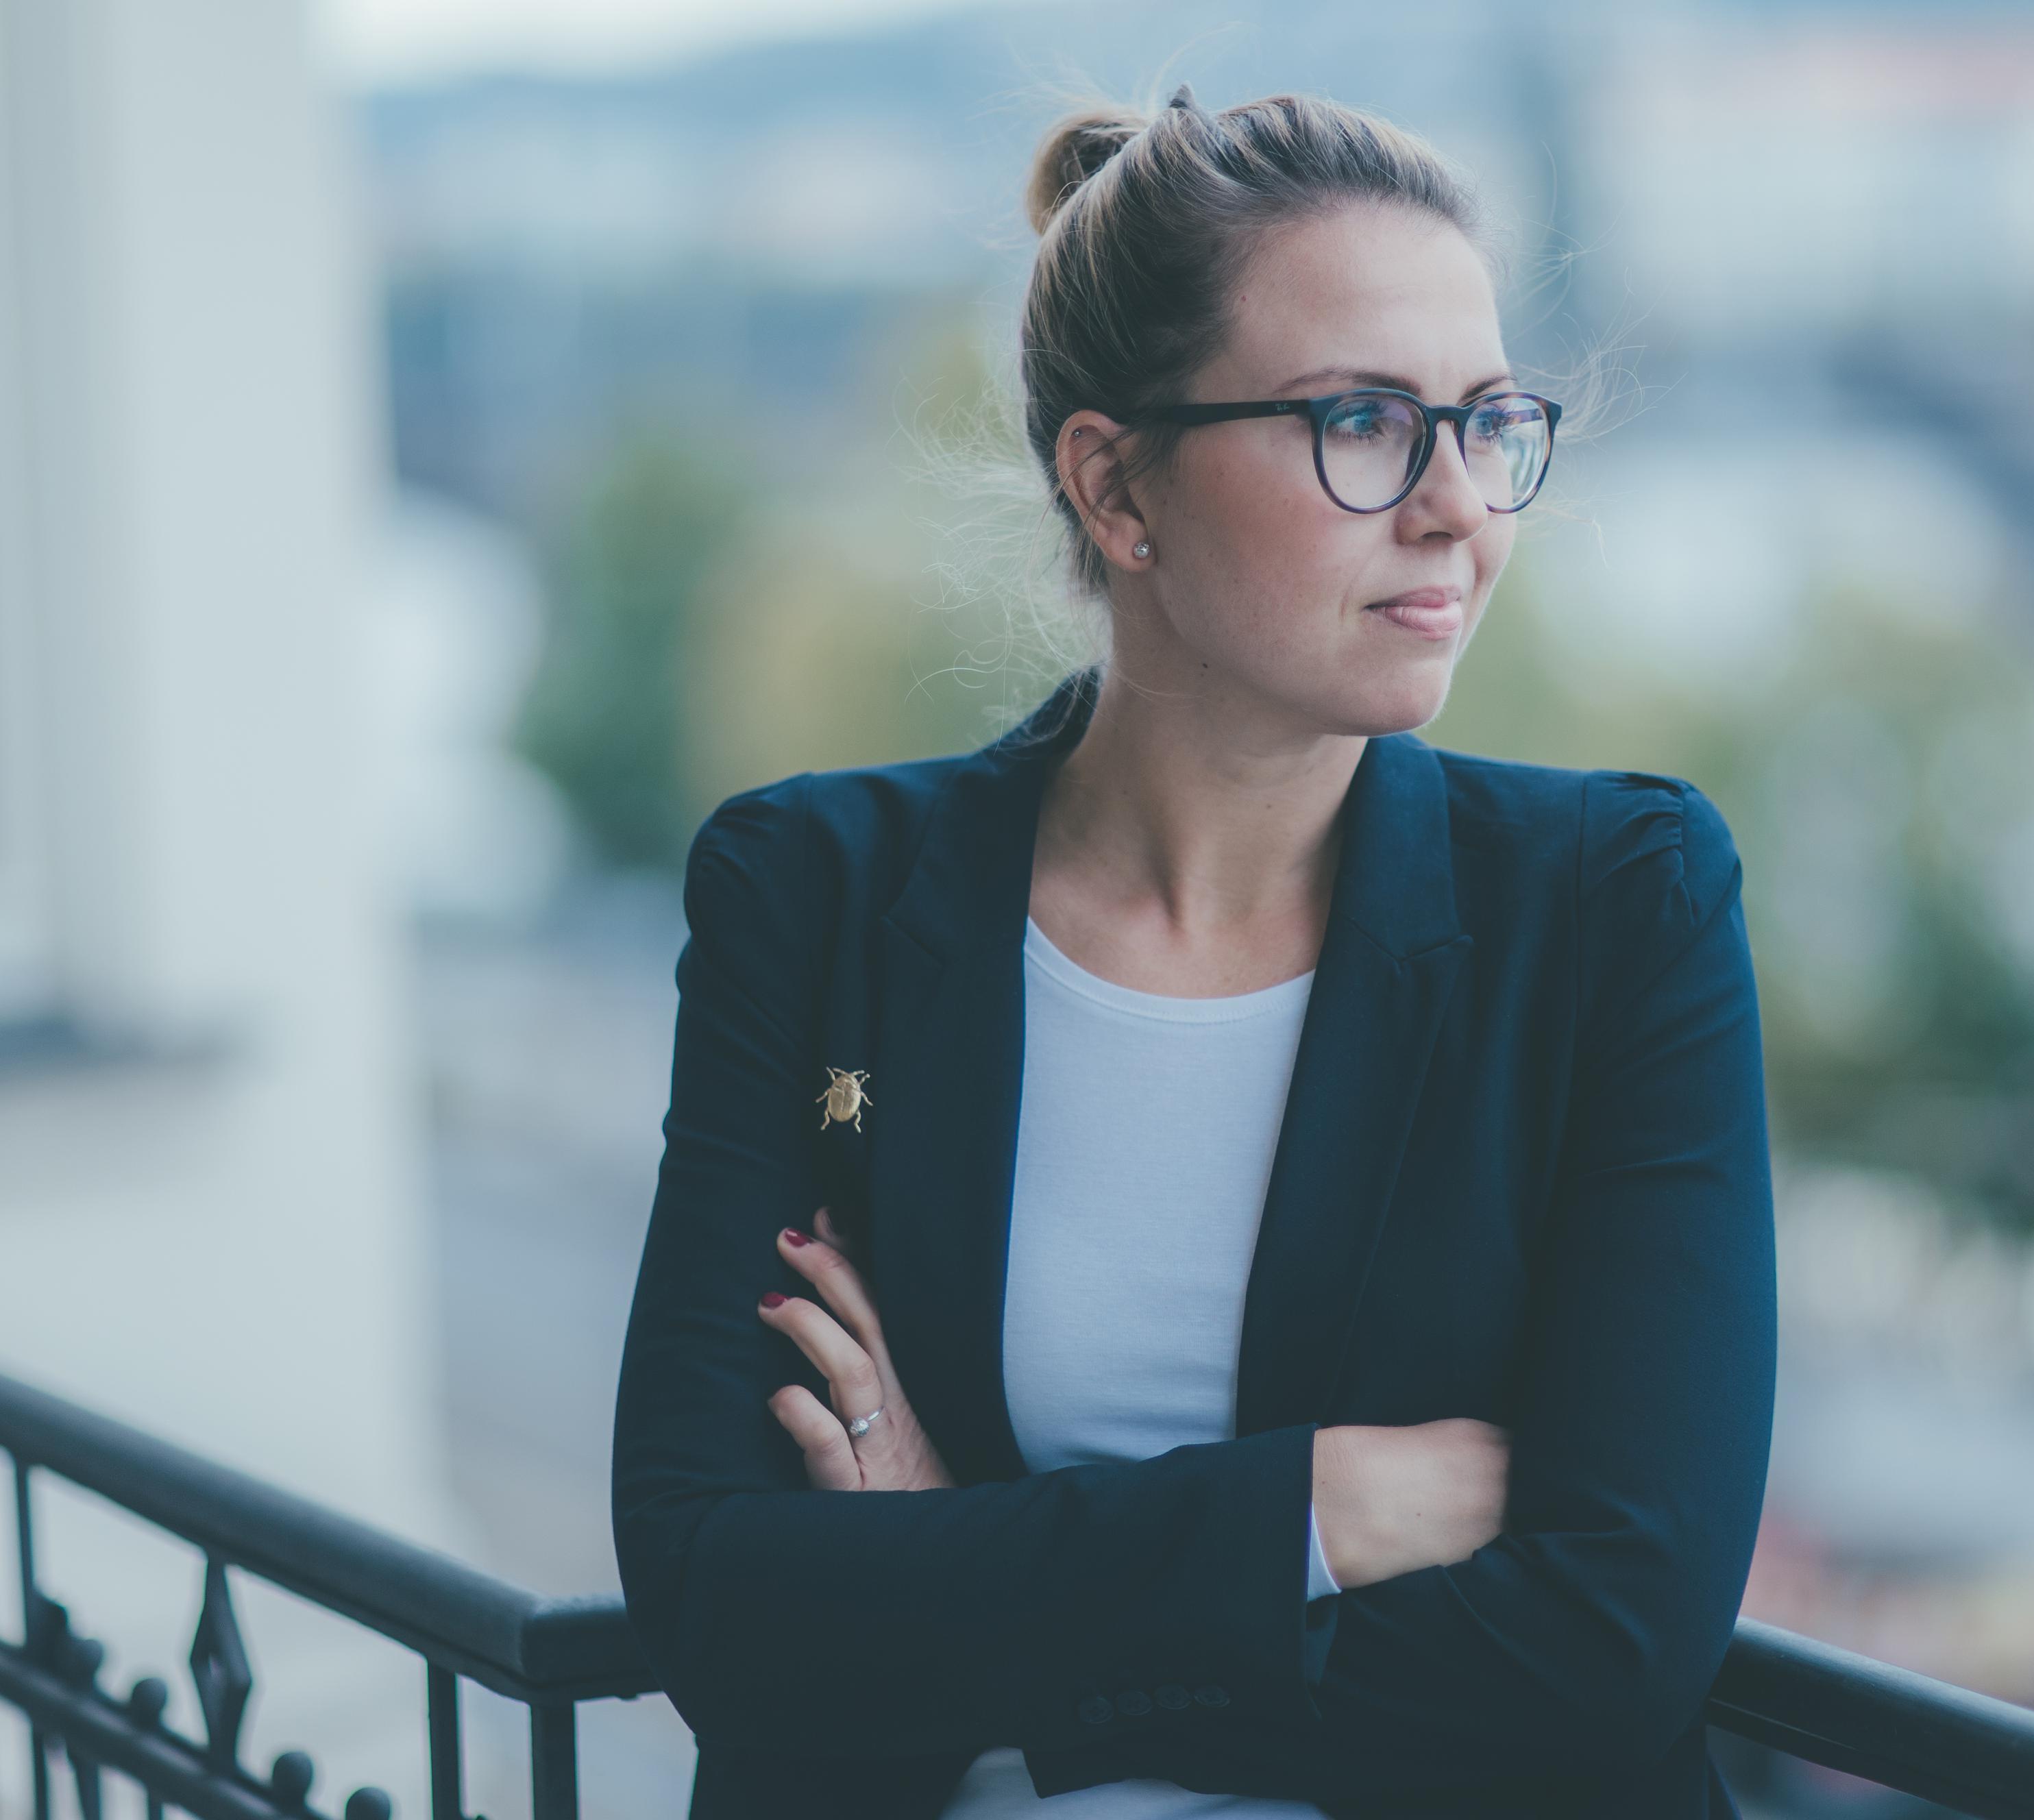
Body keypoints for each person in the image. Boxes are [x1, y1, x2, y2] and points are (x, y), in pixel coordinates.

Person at [610, 83, 1776, 1820]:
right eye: (1365, 421)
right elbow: (718, 1599)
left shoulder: (1616, 904)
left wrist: (959, 1572)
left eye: (1486, 420)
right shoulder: (815, 895)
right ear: (1114, 485)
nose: (1457, 503)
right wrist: (1313, 1509)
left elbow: (1610, 1648)